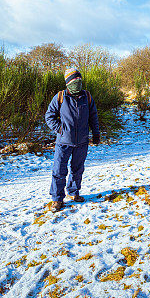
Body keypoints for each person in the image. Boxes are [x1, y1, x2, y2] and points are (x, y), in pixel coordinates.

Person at [44, 67, 100, 212]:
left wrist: (96, 133)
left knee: (77, 169)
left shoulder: (87, 96)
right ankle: (57, 199)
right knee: (59, 170)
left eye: (80, 80)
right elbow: (49, 116)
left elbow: (93, 116)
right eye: (75, 80)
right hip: (63, 142)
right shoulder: (60, 97)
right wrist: (60, 129)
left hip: (82, 141)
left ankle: (74, 192)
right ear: (69, 82)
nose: (78, 83)